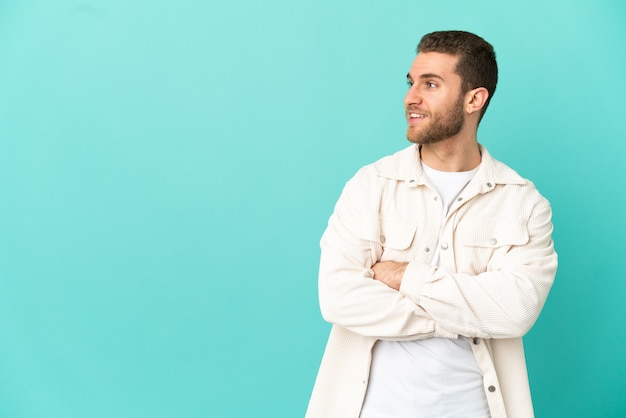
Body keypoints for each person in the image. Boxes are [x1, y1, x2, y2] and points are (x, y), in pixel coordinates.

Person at [305, 30, 558, 418]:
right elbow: (338, 296)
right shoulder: (372, 185)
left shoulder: (522, 202)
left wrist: (406, 277)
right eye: (411, 83)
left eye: (431, 84)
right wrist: (469, 313)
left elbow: (515, 312)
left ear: (474, 99)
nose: (411, 97)